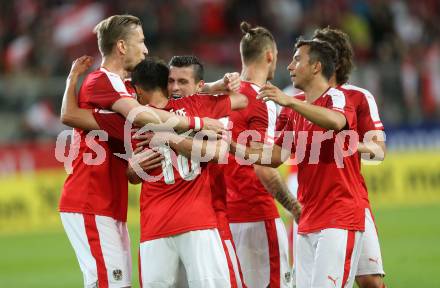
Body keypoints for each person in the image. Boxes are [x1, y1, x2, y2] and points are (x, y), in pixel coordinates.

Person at [166, 38, 366, 288]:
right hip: (308, 218)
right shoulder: (291, 112)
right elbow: (273, 157)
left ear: (316, 67)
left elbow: (337, 122)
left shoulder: (337, 97)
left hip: (339, 215)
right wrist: (232, 145)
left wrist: (290, 101)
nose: (290, 65)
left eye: (297, 59)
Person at [58, 15, 223, 288]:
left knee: (116, 282)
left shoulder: (122, 89)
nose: (146, 49)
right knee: (107, 283)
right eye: (141, 41)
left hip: (108, 199)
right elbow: (140, 115)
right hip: (89, 197)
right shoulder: (104, 81)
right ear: (122, 46)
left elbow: (73, 115)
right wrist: (198, 122)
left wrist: (212, 88)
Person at [224, 21, 299, 288]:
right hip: (255, 215)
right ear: (270, 56)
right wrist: (295, 207)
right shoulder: (262, 100)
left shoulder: (223, 97)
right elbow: (262, 165)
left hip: (224, 218)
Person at [312, 27, 386, 288]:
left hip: (349, 199)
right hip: (313, 203)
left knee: (370, 281)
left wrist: (351, 145)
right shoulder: (297, 97)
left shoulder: (359, 97)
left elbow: (378, 151)